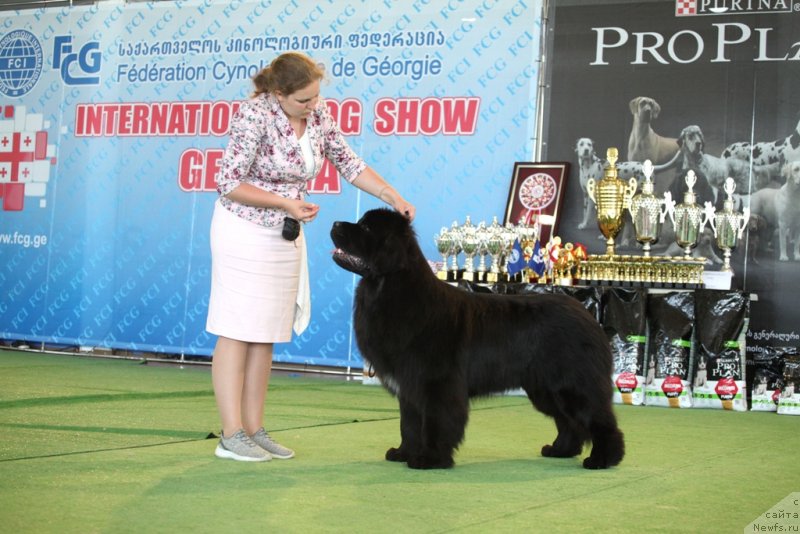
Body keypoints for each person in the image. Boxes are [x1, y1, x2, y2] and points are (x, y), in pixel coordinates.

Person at [206, 52, 416, 462]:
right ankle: (230, 434)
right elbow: (228, 182)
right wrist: (285, 202)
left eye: (316, 97)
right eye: (304, 100)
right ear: (278, 93)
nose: (313, 106)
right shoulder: (253, 115)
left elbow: (349, 163)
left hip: (284, 232)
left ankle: (254, 428)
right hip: (242, 229)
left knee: (266, 332)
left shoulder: (318, 116)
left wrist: (393, 196)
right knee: (237, 328)